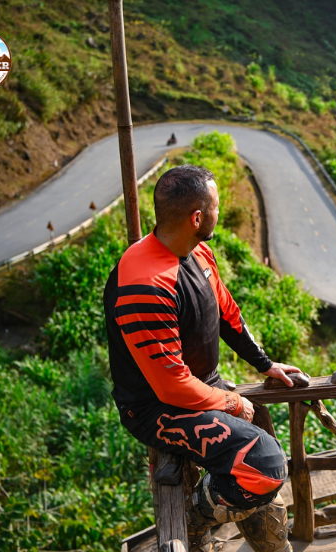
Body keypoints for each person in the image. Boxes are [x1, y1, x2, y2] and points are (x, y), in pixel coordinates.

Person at [104, 165, 303, 552]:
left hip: (199, 388)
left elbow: (226, 314)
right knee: (263, 464)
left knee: (261, 453)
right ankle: (195, 524)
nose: (220, 210)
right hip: (156, 408)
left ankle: (269, 544)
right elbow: (172, 385)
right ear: (198, 217)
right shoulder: (144, 283)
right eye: (216, 205)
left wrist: (265, 364)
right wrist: (232, 401)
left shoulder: (197, 251)